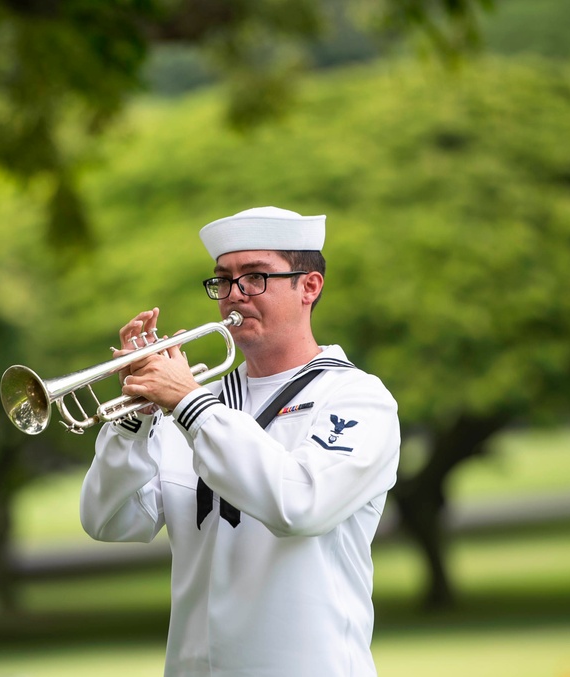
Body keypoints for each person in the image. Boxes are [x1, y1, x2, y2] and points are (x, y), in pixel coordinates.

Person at [79, 206, 400, 677]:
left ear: (309, 286)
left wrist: (186, 402)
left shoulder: (356, 398)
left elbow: (301, 505)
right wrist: (139, 417)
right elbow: (108, 521)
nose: (234, 296)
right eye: (223, 281)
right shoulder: (192, 402)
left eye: (256, 278)